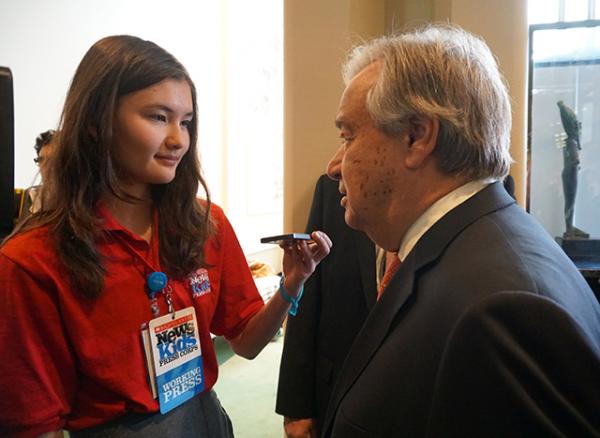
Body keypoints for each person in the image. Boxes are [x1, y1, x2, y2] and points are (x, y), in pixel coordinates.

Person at [0, 35, 331, 437]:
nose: (179, 139)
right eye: (158, 117)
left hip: (206, 418)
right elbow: (35, 423)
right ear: (95, 122)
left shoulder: (205, 224)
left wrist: (292, 284)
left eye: (186, 122)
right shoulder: (32, 261)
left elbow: (244, 340)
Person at [322, 24, 600, 437]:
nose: (333, 165)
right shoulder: (476, 246)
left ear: (417, 136)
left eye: (348, 136)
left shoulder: (502, 310)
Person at [276, 174, 376, 438]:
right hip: (336, 394)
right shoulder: (332, 187)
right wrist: (295, 406)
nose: (334, 165)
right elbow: (308, 294)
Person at [557, 100, 589, 239]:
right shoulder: (572, 142)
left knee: (570, 201)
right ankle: (569, 228)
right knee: (570, 201)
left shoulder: (571, 141)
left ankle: (570, 227)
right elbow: (575, 160)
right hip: (571, 174)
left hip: (569, 173)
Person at [15, 129, 57, 218]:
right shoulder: (23, 200)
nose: (47, 166)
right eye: (41, 160)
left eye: (53, 159)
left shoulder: (83, 205)